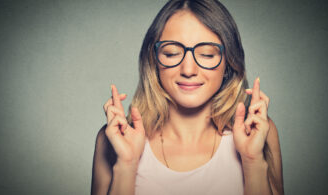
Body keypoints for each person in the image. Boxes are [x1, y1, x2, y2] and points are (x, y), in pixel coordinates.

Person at [91, 0, 283, 194]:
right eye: (172, 53)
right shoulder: (114, 139)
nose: (188, 70)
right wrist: (126, 164)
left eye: (207, 55)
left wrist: (252, 162)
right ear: (153, 60)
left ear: (229, 62)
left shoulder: (259, 133)